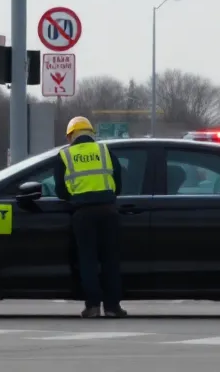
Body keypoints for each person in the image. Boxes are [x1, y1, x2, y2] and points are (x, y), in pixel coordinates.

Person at [54, 116, 127, 318]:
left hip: (82, 213)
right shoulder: (105, 151)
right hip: (109, 211)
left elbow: (60, 190)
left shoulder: (65, 155)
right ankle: (113, 307)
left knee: (88, 260)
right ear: (91, 133)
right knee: (111, 260)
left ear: (71, 136)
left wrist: (77, 197)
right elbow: (118, 184)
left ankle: (93, 306)